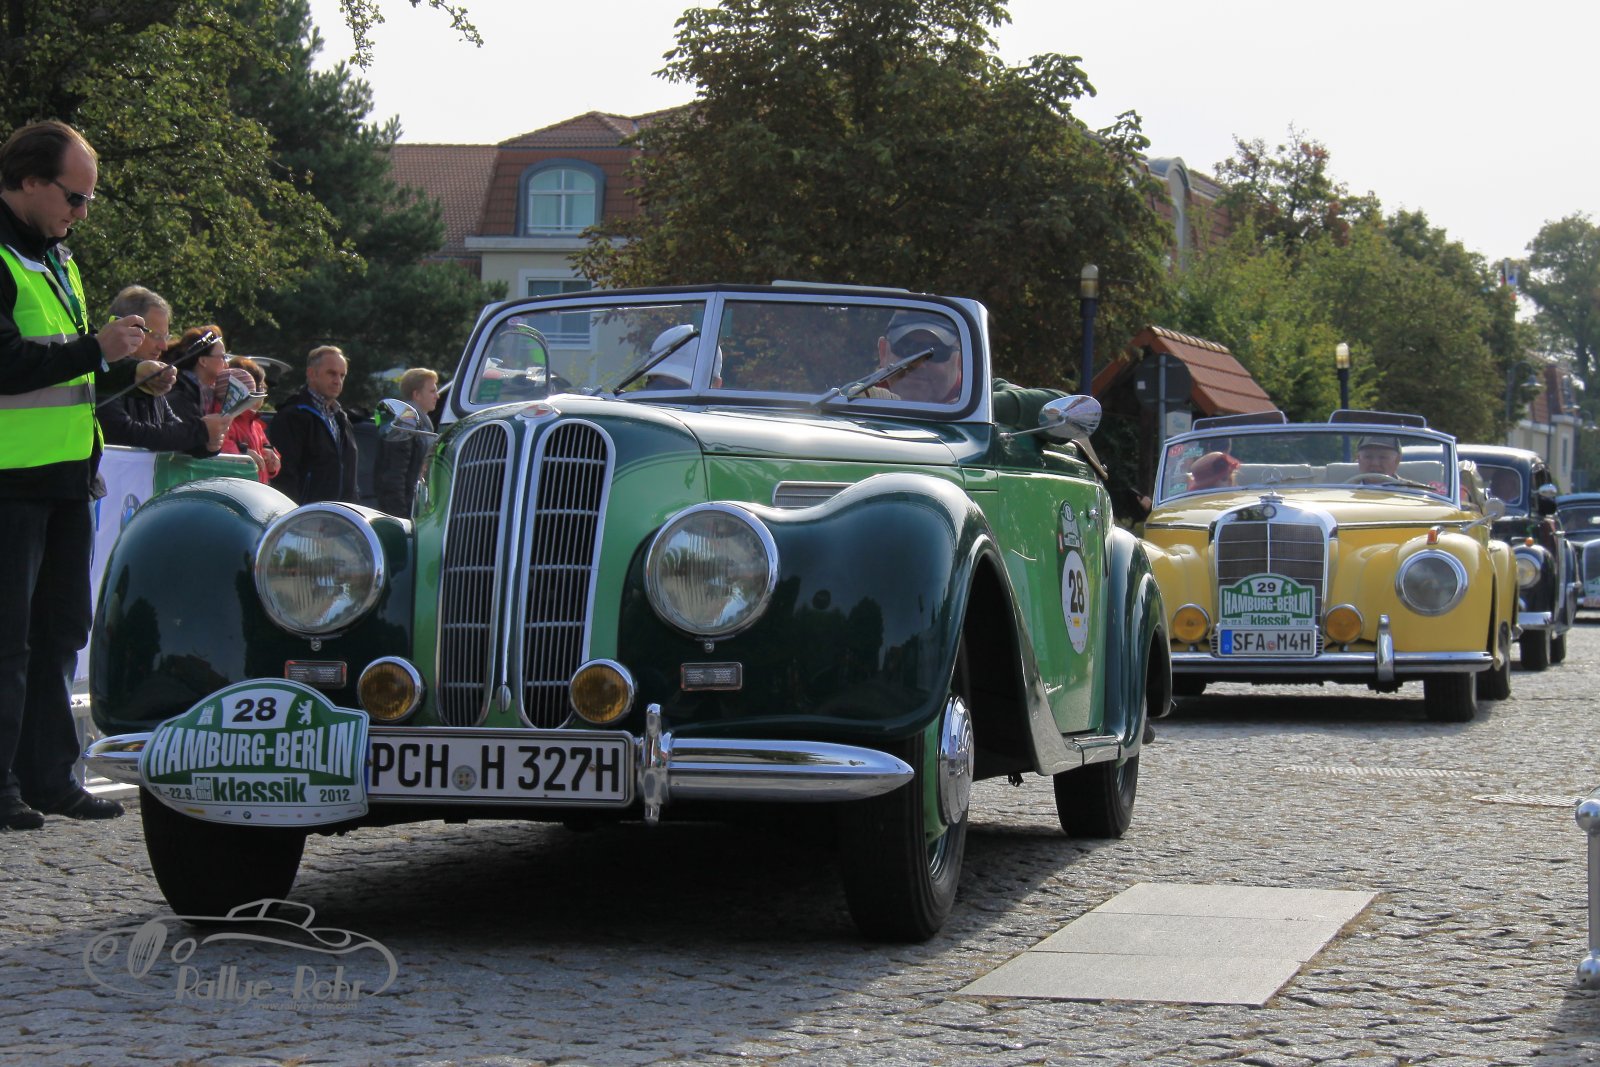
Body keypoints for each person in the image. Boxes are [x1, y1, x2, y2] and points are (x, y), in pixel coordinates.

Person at [0, 120, 157, 827]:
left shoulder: (56, 259)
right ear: (30, 181)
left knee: (61, 633)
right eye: (75, 196)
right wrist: (96, 349)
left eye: (90, 199)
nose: (83, 212)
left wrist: (128, 372)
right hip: (9, 482)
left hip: (65, 478)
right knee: (7, 641)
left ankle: (51, 778)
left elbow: (66, 372)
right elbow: (8, 364)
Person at [98, 287, 222, 455]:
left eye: (166, 337)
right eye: (156, 336)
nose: (163, 346)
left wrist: (205, 444)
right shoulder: (101, 369)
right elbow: (122, 432)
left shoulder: (151, 375)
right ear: (127, 327)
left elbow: (172, 427)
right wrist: (200, 432)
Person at [269, 344, 359, 505]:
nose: (337, 381)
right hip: (306, 514)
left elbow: (350, 478)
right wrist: (294, 514)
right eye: (331, 373)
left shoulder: (341, 419)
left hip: (340, 515)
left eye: (342, 375)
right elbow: (285, 476)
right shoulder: (293, 416)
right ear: (311, 373)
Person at [374, 367, 438, 515]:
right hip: (404, 509)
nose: (437, 395)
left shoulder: (419, 423)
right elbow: (395, 475)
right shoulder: (406, 425)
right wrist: (401, 516)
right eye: (432, 391)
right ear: (417, 394)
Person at [165, 325, 234, 453]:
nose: (227, 364)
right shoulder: (179, 393)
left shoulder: (211, 394)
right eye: (223, 357)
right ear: (203, 361)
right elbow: (188, 440)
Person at [874, 309, 963, 403]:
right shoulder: (865, 399)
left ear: (960, 361)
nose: (918, 364)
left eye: (935, 352)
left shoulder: (972, 403)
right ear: (883, 352)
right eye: (906, 348)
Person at [222, 356, 278, 483]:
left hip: (256, 488)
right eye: (261, 386)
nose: (262, 391)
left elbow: (265, 446)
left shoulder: (255, 424)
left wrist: (271, 454)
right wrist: (243, 453)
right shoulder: (228, 417)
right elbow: (223, 447)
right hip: (238, 487)